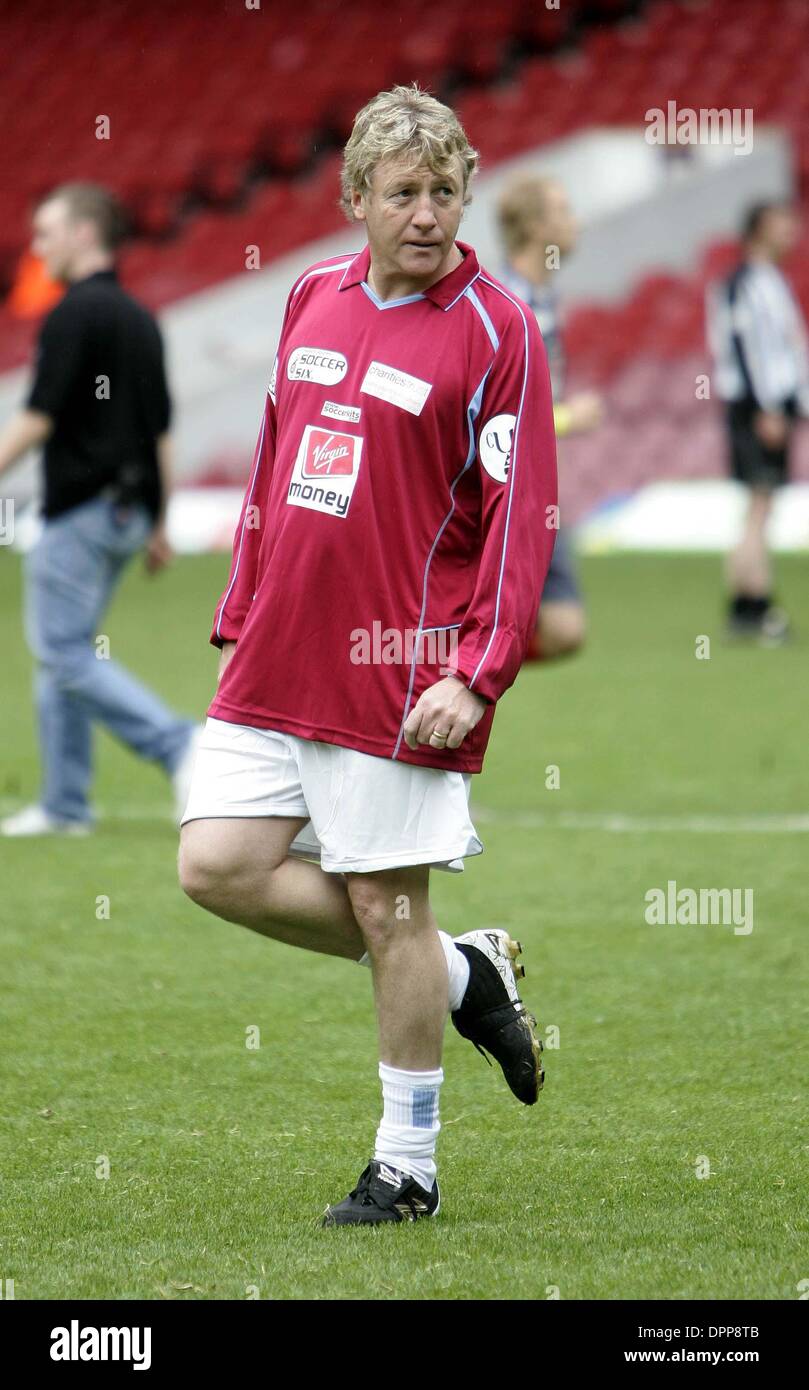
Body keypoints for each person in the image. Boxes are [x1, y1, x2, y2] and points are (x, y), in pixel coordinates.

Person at [178, 85, 557, 1226]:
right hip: (276, 650)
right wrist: (242, 603)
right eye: (403, 192)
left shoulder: (498, 327)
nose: (428, 214)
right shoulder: (308, 295)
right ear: (356, 199)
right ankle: (464, 973)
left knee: (390, 914)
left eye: (446, 191)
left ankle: (408, 1167)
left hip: (404, 671)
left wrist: (475, 671)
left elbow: (519, 515)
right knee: (215, 864)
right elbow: (272, 460)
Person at [0, 182, 201, 836]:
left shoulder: (72, 314)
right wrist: (162, 521)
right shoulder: (141, 318)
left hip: (81, 510)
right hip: (130, 513)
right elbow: (162, 428)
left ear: (85, 233)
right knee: (66, 650)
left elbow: (36, 419)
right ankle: (65, 805)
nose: (38, 247)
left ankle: (179, 744)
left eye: (47, 232)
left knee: (61, 651)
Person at [497, 174, 603, 660]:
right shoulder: (503, 306)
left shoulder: (543, 299)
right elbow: (496, 417)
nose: (574, 221)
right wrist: (566, 419)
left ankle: (468, 669)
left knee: (563, 627)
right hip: (496, 491)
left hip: (534, 484)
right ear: (536, 225)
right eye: (563, 210)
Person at [707, 200, 809, 642]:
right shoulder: (741, 284)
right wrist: (766, 406)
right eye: (782, 222)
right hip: (755, 407)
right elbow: (746, 350)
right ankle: (756, 602)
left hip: (771, 404)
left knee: (761, 504)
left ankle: (745, 603)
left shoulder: (770, 281)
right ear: (758, 229)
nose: (792, 230)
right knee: (759, 503)